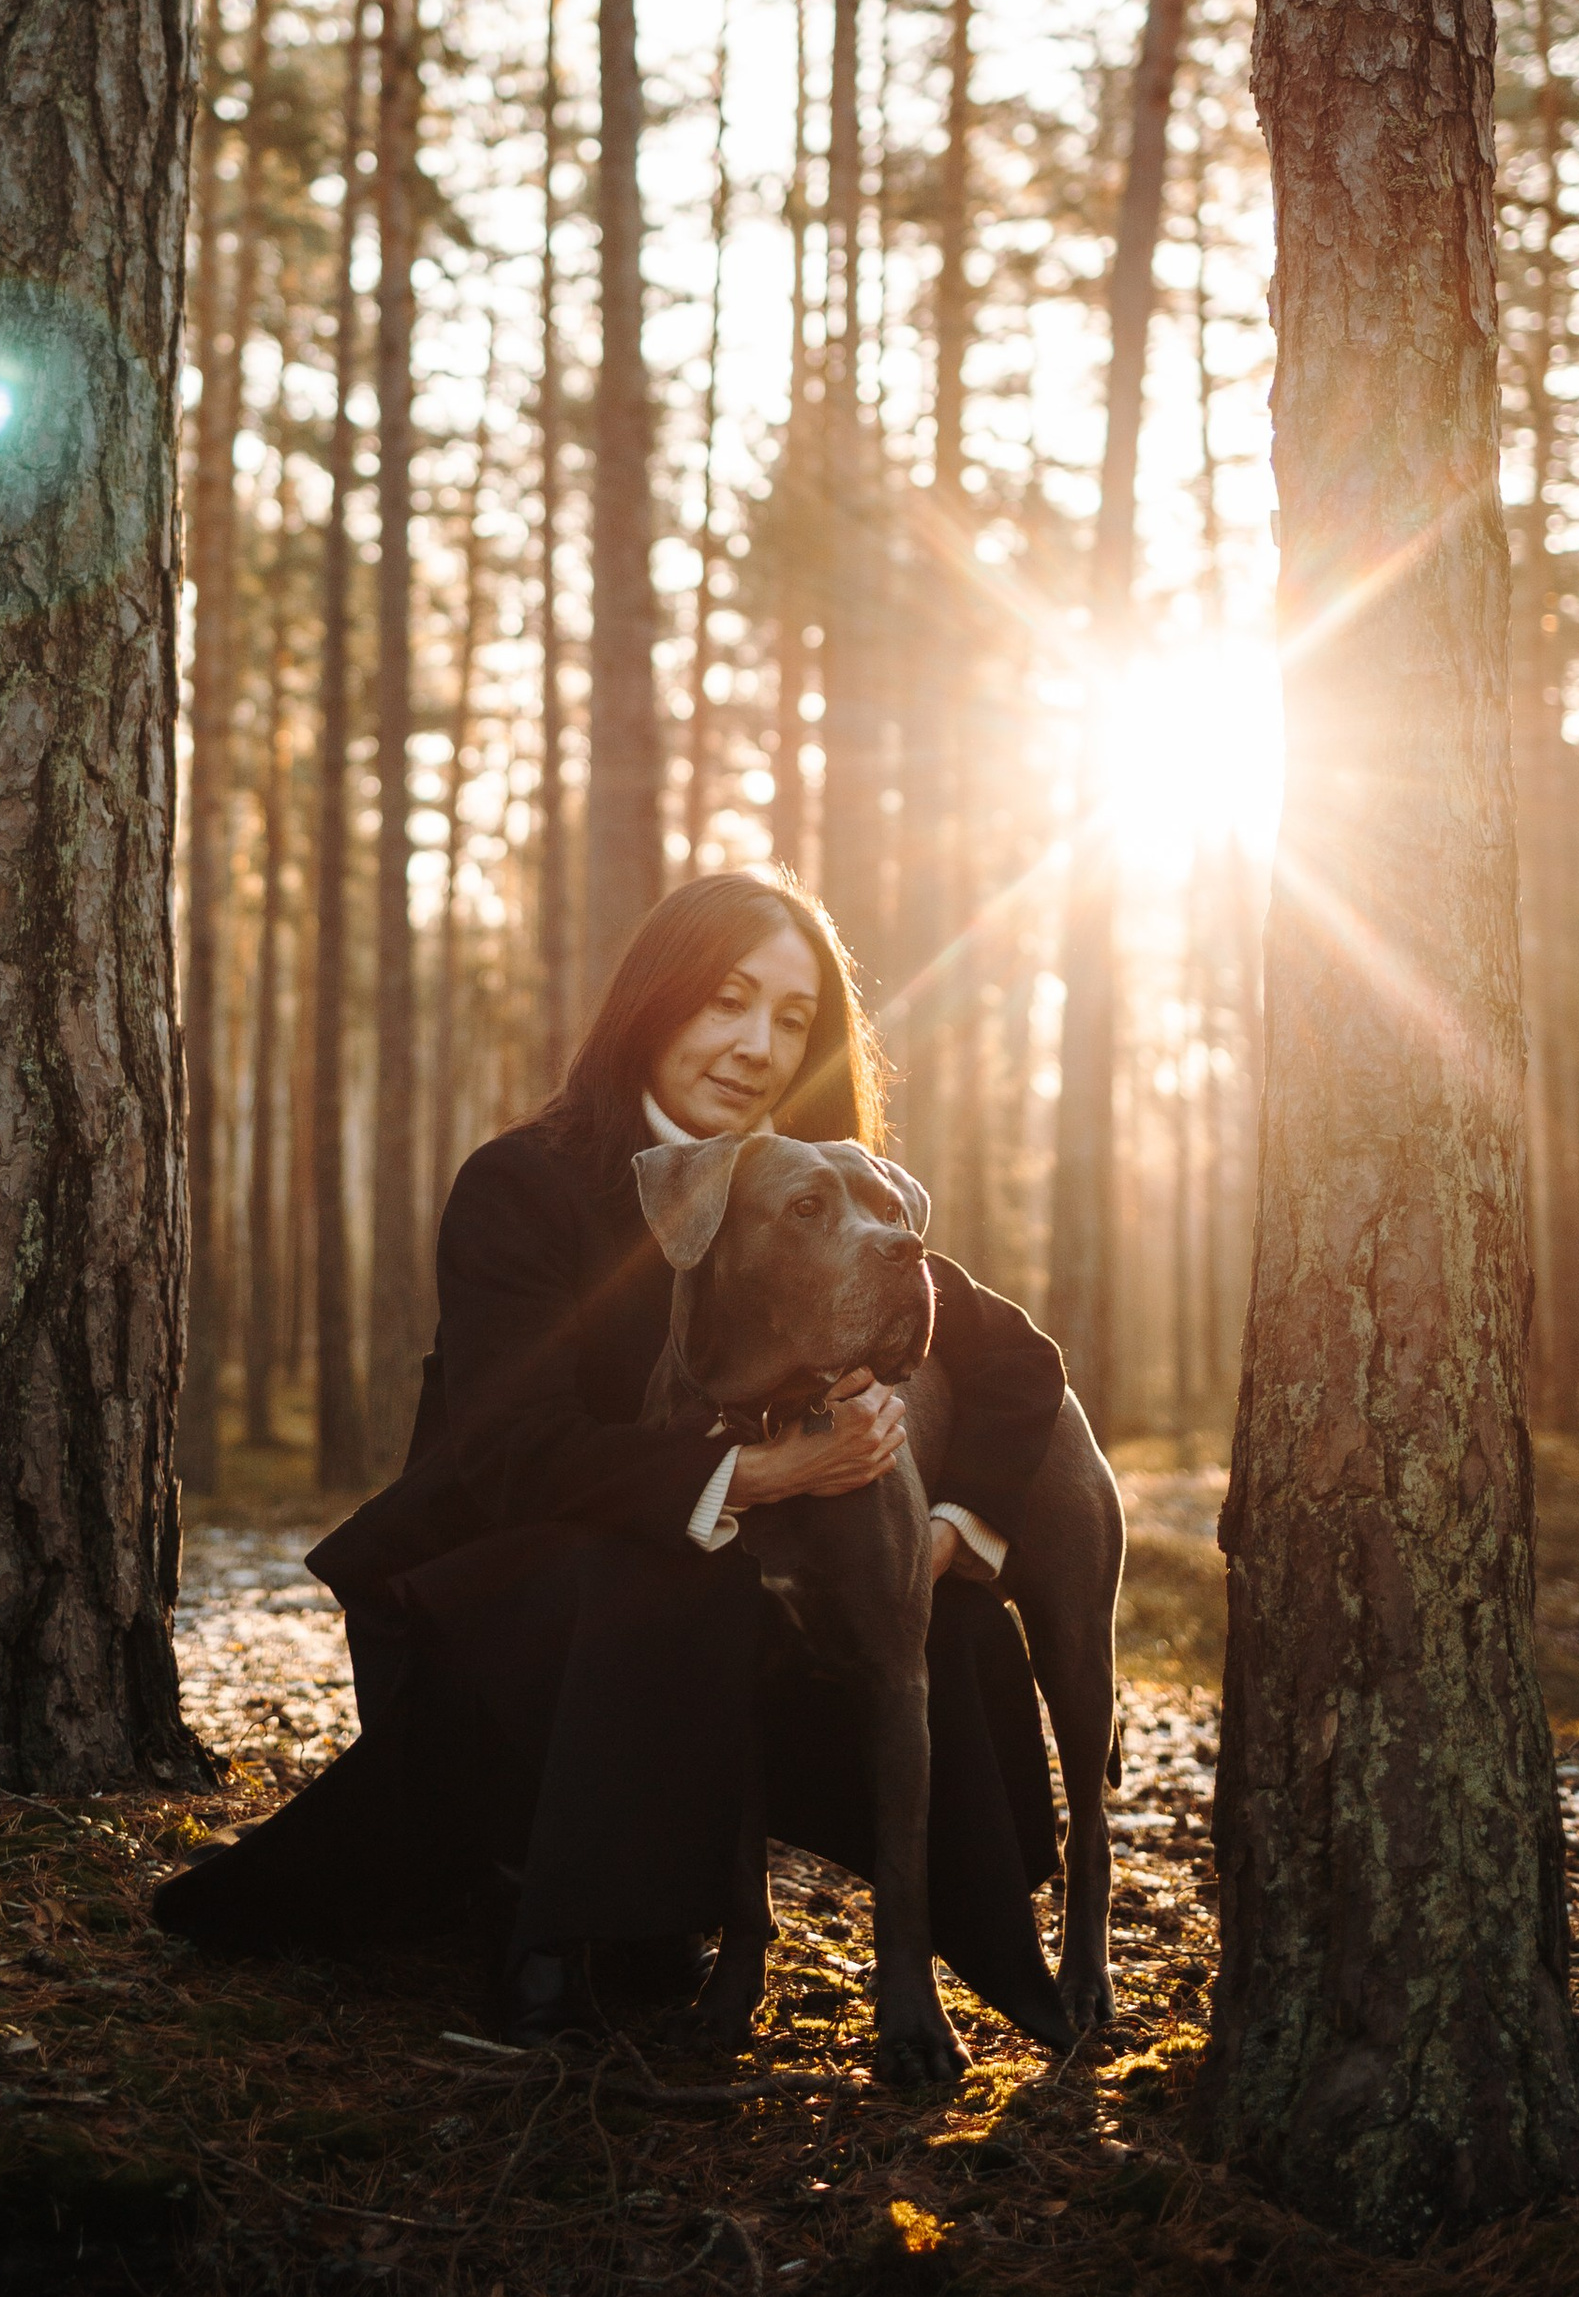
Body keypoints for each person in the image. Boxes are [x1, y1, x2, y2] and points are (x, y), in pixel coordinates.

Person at [153, 872, 1073, 2044]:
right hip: (508, 1590)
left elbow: (1013, 1363)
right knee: (653, 1578)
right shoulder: (525, 1185)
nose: (753, 1046)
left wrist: (955, 1534)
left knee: (931, 1617)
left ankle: (929, 1949)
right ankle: (548, 1914)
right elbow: (511, 1450)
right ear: (656, 1000)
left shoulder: (816, 1186)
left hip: (708, 1596)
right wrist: (754, 1477)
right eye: (725, 1001)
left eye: (790, 1019)